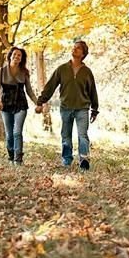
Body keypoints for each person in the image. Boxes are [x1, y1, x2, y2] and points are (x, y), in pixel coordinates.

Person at [35, 40, 99, 171]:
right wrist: (41, 101)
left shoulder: (87, 72)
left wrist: (95, 109)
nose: (74, 49)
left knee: (83, 135)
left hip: (82, 108)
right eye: (74, 47)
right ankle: (67, 160)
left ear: (83, 54)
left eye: (78, 48)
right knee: (66, 135)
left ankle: (84, 160)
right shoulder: (62, 69)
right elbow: (50, 86)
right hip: (66, 108)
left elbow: (93, 91)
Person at [0, 46, 39, 165]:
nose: (16, 56)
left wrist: (37, 103)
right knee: (9, 134)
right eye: (14, 54)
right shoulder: (1, 71)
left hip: (21, 105)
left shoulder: (24, 72)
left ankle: (18, 159)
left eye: (19, 55)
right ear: (10, 56)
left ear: (21, 58)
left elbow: (29, 90)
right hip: (6, 105)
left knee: (17, 132)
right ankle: (11, 156)